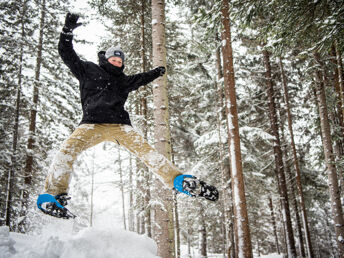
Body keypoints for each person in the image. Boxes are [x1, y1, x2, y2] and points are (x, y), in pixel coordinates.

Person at [37, 13, 218, 219]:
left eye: (119, 61)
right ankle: (53, 196)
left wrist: (156, 72)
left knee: (147, 153)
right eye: (113, 59)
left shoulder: (123, 81)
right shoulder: (88, 70)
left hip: (120, 126)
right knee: (66, 151)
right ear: (105, 59)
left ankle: (179, 181)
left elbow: (141, 79)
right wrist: (67, 31)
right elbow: (66, 54)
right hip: (90, 125)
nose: (116, 63)